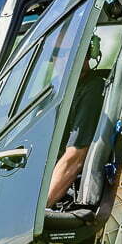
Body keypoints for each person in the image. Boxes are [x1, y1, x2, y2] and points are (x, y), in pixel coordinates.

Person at [46, 35, 106, 207]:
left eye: (69, 51)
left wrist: (41, 208)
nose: (61, 58)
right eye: (57, 53)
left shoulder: (93, 90)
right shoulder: (57, 92)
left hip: (65, 193)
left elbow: (75, 158)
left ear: (87, 52)